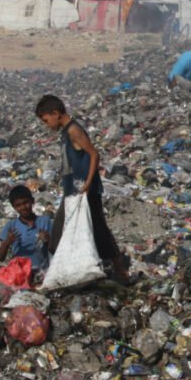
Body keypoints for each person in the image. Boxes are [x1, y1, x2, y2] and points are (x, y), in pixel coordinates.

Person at [35, 95, 129, 284]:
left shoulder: (73, 130)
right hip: (74, 191)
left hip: (85, 192)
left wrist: (87, 183)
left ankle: (121, 273)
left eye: (46, 120)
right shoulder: (65, 131)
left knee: (97, 231)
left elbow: (93, 154)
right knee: (67, 231)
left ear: (55, 113)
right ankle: (68, 272)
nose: (46, 125)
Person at [0, 185, 52, 271]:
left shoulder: (45, 221)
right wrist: (7, 242)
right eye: (18, 205)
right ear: (14, 207)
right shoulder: (11, 226)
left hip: (42, 272)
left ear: (32, 201)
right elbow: (0, 257)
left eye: (25, 203)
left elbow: (57, 250)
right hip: (20, 274)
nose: (23, 208)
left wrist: (48, 239)